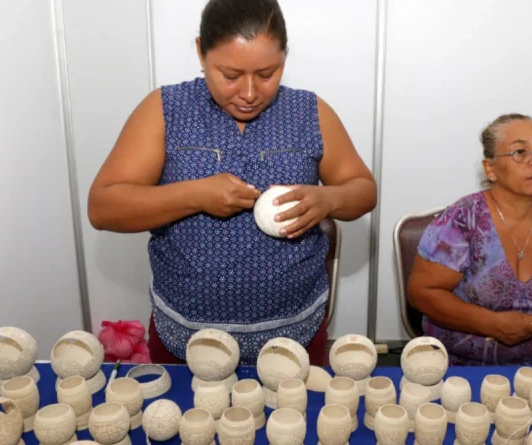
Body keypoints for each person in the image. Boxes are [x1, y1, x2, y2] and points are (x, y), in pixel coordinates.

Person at [87, 0, 376, 366]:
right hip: (187, 341)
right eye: (231, 74)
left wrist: (327, 199)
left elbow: (363, 189)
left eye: (268, 73)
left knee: (297, 422)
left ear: (285, 57)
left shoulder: (309, 112)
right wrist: (195, 194)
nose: (250, 92)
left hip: (293, 340)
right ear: (200, 52)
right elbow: (103, 206)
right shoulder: (165, 109)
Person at [407, 113, 532, 365]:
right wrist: (493, 324)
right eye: (520, 152)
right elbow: (422, 292)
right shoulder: (461, 221)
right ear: (490, 168)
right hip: (460, 370)